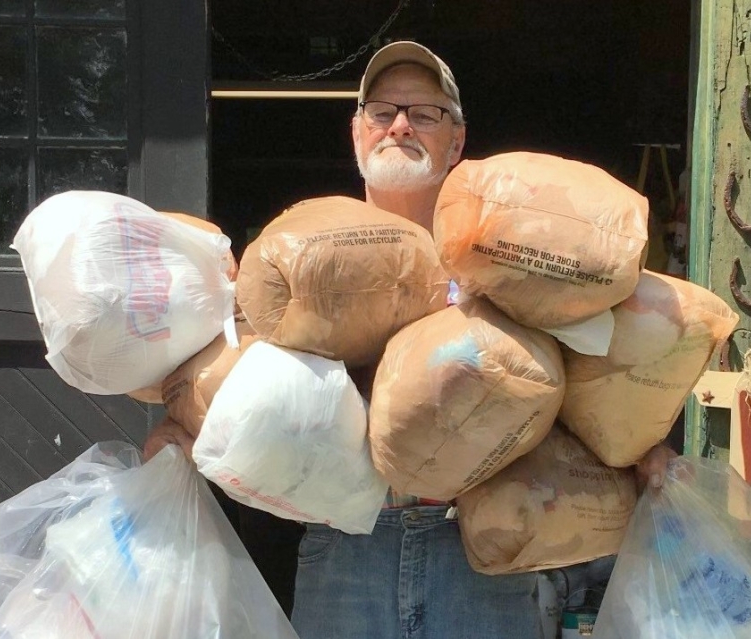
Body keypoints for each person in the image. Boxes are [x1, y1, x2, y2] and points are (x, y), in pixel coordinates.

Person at [285, 41, 678, 639]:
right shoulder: (306, 252)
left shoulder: (504, 256)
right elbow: (244, 376)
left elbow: (580, 382)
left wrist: (640, 453)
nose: (399, 126)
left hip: (477, 553)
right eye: (382, 111)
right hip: (345, 553)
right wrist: (183, 423)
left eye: (424, 113)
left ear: (457, 142)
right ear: (356, 132)